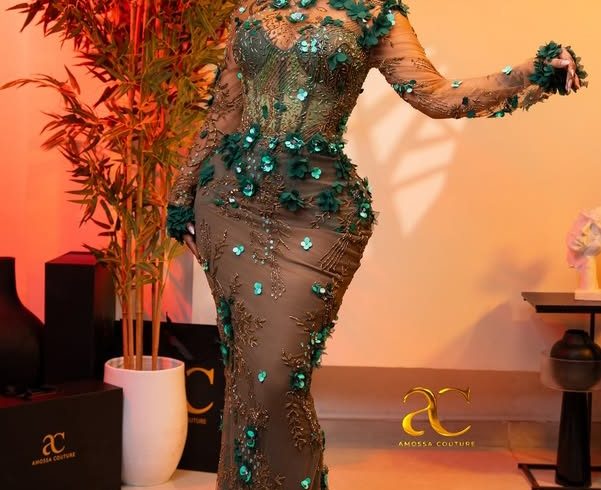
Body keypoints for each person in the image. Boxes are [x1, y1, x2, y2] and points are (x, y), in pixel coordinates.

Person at [166, 1, 586, 488]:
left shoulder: (373, 13)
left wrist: (531, 71)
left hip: (318, 213)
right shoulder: (251, 9)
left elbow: (436, 95)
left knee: (278, 376)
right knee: (248, 374)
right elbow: (224, 113)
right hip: (230, 205)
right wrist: (180, 198)